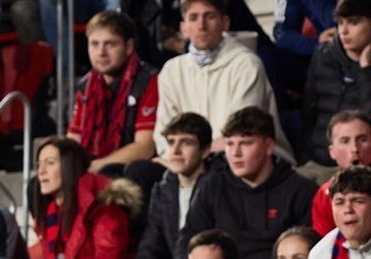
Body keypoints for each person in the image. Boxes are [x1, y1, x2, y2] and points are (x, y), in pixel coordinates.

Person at [177, 108, 316, 259]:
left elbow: (308, 253)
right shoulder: (212, 186)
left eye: (245, 143)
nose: (235, 153)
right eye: (229, 144)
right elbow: (188, 237)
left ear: (269, 146)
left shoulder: (300, 190)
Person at [153, 0, 288, 153]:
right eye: (193, 18)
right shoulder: (171, 70)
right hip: (189, 160)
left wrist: (195, 154)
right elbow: (164, 132)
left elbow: (240, 133)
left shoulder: (246, 64)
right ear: (183, 28)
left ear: (225, 23)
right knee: (139, 170)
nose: (201, 26)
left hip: (244, 160)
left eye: (209, 17)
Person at [28, 137, 141, 259]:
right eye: (38, 165)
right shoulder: (50, 212)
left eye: (50, 163)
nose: (41, 171)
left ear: (69, 166)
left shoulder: (102, 204)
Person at [68, 11, 159, 179]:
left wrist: (95, 167)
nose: (101, 52)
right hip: (93, 166)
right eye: (94, 44)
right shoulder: (85, 86)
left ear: (129, 46)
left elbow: (145, 147)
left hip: (128, 169)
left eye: (110, 44)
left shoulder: (149, 81)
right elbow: (74, 139)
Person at [133, 113, 213, 259]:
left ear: (205, 150)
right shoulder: (164, 189)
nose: (175, 151)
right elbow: (152, 246)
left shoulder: (218, 187)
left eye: (186, 142)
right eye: (171, 142)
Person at [301, 0, 371, 164]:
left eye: (354, 23)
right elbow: (308, 114)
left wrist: (365, 71)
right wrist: (305, 157)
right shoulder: (323, 57)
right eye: (340, 23)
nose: (344, 31)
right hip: (319, 162)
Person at [313, 111, 371, 235]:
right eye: (345, 141)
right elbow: (324, 244)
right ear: (332, 152)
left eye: (362, 139)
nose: (355, 149)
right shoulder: (324, 195)